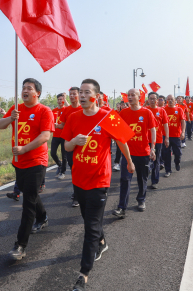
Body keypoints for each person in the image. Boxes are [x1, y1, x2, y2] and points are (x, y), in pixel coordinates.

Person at [61, 79, 133, 291]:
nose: (82, 96)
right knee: (89, 219)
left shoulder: (108, 116)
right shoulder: (73, 117)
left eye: (86, 92)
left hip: (99, 180)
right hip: (78, 179)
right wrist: (74, 142)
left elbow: (122, 141)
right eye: (80, 92)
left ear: (97, 96)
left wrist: (129, 162)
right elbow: (66, 146)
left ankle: (83, 274)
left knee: (90, 226)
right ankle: (102, 242)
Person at [0, 78, 54, 261]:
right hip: (19, 162)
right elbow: (0, 125)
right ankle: (43, 217)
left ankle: (20, 246)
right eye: (23, 88)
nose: (25, 90)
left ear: (37, 93)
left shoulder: (44, 111)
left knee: (28, 202)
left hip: (37, 161)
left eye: (29, 88)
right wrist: (10, 118)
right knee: (28, 192)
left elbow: (45, 136)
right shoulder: (16, 109)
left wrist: (24, 149)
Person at [112, 88, 156, 218]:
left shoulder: (147, 112)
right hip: (128, 154)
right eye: (128, 95)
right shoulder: (123, 113)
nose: (130, 97)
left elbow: (153, 130)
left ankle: (141, 200)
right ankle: (121, 207)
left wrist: (153, 148)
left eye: (133, 95)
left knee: (142, 179)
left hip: (143, 153)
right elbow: (118, 130)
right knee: (125, 179)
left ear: (139, 97)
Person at [57, 86, 83, 207]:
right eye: (70, 94)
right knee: (74, 169)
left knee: (82, 169)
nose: (72, 96)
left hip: (83, 144)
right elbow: (63, 125)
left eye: (74, 94)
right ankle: (77, 193)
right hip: (70, 143)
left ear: (79, 95)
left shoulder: (84, 108)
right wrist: (55, 126)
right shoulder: (66, 110)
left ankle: (81, 192)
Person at [144, 92, 169, 189]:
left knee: (156, 160)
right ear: (148, 100)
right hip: (145, 140)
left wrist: (167, 138)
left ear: (157, 100)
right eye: (150, 98)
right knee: (145, 161)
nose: (152, 100)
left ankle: (154, 181)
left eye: (154, 98)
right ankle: (144, 180)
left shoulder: (161, 111)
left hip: (157, 140)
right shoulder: (145, 110)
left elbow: (166, 124)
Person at [163, 95, 186, 175]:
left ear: (175, 100)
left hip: (176, 135)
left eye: (171, 99)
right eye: (168, 99)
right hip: (165, 135)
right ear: (166, 100)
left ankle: (177, 162)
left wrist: (183, 132)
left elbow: (183, 121)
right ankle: (168, 170)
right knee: (166, 153)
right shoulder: (163, 110)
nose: (170, 101)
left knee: (178, 152)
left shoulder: (179, 109)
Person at [52, 93, 69, 179]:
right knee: (52, 153)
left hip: (63, 135)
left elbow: (71, 109)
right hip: (55, 135)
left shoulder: (66, 109)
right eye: (58, 99)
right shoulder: (54, 110)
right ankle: (60, 165)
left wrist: (65, 100)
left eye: (61, 99)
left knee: (64, 155)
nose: (59, 101)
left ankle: (62, 172)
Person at [112, 101, 128, 172]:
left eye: (124, 105)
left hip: (129, 134)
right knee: (119, 149)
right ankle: (117, 163)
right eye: (122, 105)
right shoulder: (118, 113)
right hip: (120, 134)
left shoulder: (129, 113)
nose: (123, 106)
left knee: (128, 150)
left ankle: (129, 162)